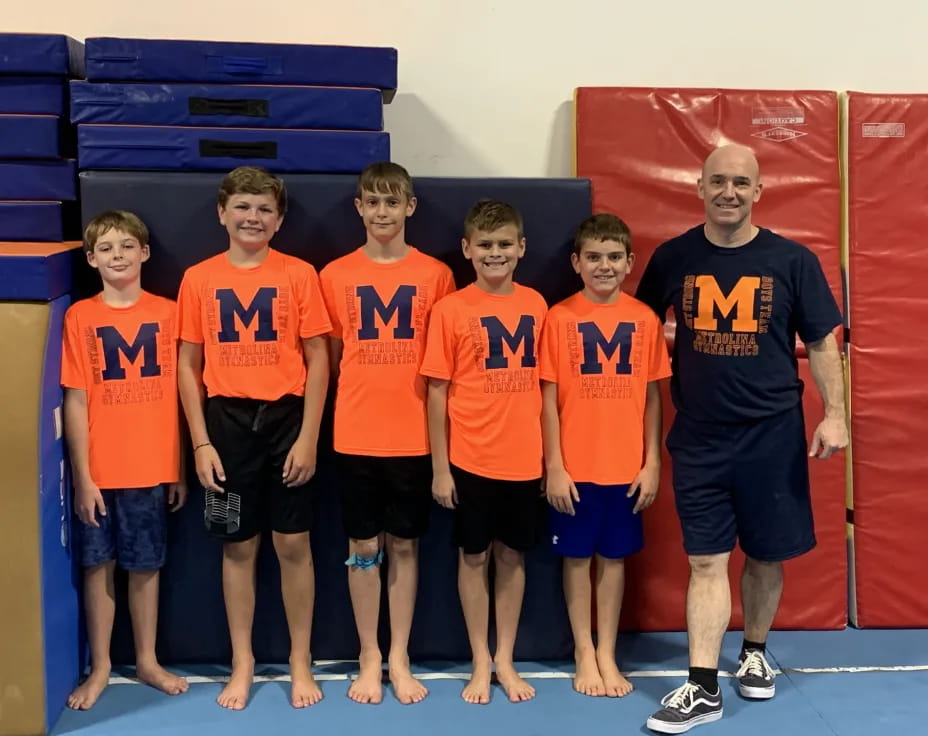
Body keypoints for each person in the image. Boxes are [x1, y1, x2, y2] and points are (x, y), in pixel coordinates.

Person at [635, 144, 848, 733]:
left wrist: (837, 414)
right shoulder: (673, 257)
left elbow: (824, 341)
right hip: (699, 434)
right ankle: (701, 687)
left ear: (759, 192)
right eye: (718, 181)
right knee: (705, 560)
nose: (729, 192)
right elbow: (637, 330)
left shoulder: (792, 259)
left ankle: (754, 650)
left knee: (765, 553)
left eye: (741, 183)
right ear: (699, 187)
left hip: (773, 434)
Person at [176, 166, 331, 710]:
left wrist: (310, 435)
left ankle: (298, 660)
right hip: (226, 425)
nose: (252, 217)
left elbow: (318, 356)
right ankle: (242, 661)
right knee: (237, 546)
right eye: (242, 206)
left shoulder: (299, 274)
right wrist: (200, 441)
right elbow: (187, 362)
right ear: (222, 213)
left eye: (264, 209)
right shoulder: (199, 278)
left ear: (280, 219)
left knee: (294, 543)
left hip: (288, 420)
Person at [319, 162, 455, 705]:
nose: (382, 212)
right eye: (372, 202)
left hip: (414, 434)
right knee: (362, 544)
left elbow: (444, 361)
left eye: (391, 202)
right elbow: (329, 360)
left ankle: (398, 652)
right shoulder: (334, 275)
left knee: (405, 544)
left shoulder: (436, 275)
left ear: (410, 208)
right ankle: (368, 653)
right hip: (355, 433)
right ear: (358, 208)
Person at [421, 199, 547, 705]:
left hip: (523, 457)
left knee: (512, 556)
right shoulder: (451, 309)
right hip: (470, 458)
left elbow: (550, 387)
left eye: (504, 245)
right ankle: (479, 658)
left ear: (521, 248)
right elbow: (436, 391)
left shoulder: (537, 306)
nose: (495, 254)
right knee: (473, 556)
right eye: (485, 245)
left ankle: (506, 658)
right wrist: (440, 468)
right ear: (467, 249)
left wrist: (547, 460)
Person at [62, 210, 189, 710]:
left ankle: (148, 660)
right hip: (101, 467)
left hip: (150, 465)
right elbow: (75, 398)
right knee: (98, 565)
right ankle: (102, 666)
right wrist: (83, 476)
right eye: (107, 248)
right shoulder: (81, 317)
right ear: (92, 258)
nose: (118, 256)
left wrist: (176, 463)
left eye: (127, 246)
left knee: (146, 566)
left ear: (145, 253)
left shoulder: (169, 312)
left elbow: (182, 393)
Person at [540, 214, 670, 698]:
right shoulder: (559, 317)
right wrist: (554, 465)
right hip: (575, 466)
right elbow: (547, 397)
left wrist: (651, 461)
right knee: (576, 559)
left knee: (613, 560)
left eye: (614, 257)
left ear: (630, 262)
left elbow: (654, 396)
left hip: (624, 467)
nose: (604, 265)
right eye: (593, 257)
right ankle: (583, 651)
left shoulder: (644, 319)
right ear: (576, 262)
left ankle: (608, 651)